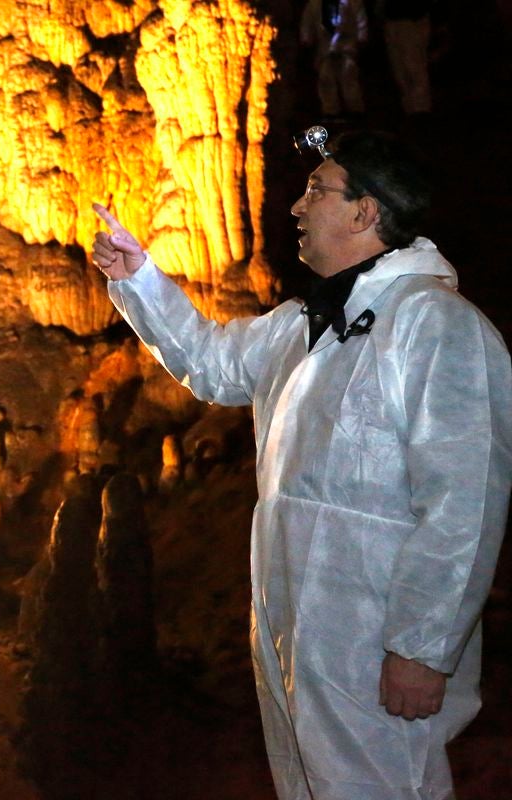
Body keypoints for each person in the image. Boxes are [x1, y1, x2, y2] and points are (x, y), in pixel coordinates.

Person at [90, 131, 512, 799]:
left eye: (317, 191)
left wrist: (423, 647)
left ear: (366, 212)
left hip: (375, 636)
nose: (296, 206)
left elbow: (463, 499)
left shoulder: (435, 324)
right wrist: (136, 278)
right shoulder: (299, 324)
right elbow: (209, 362)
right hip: (294, 624)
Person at [300, 0, 369, 118]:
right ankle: (330, 110)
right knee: (326, 78)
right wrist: (306, 38)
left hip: (346, 47)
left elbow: (360, 18)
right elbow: (308, 21)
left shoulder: (352, 2)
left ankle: (355, 109)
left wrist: (362, 36)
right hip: (325, 49)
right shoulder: (315, 3)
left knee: (348, 77)